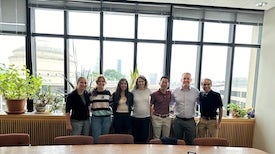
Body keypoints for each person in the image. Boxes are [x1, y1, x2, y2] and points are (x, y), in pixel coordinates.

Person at [171, 72, 199, 145]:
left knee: (191, 142)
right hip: (178, 121)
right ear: (181, 80)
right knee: (177, 142)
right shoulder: (175, 91)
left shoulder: (196, 92)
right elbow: (170, 103)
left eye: (188, 79)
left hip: (190, 121)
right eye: (184, 78)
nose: (186, 80)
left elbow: (201, 104)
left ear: (191, 80)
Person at [89, 75, 112, 143]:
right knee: (96, 138)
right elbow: (88, 105)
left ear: (105, 82)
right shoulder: (92, 93)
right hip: (96, 118)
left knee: (105, 138)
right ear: (97, 82)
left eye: (102, 81)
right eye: (99, 81)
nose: (101, 83)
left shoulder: (108, 93)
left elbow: (111, 104)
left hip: (107, 118)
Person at [131, 75, 151, 143]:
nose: (141, 83)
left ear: (145, 82)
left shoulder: (148, 91)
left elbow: (151, 104)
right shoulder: (133, 92)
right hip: (135, 117)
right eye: (139, 81)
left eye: (142, 81)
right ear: (137, 82)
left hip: (146, 117)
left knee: (144, 137)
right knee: (136, 137)